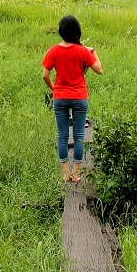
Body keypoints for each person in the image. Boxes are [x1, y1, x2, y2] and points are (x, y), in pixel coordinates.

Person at [42, 15, 103, 183]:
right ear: (77, 32)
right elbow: (99, 70)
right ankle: (76, 174)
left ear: (61, 32)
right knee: (79, 136)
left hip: (60, 98)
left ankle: (65, 173)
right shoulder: (83, 51)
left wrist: (55, 89)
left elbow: (45, 75)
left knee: (62, 135)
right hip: (79, 97)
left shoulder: (53, 50)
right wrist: (94, 52)